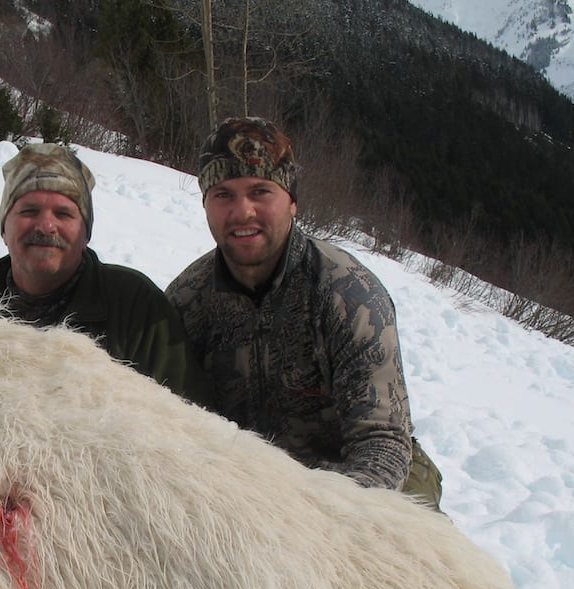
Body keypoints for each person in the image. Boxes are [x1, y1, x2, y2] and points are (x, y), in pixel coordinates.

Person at [166, 117, 443, 509]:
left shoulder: (348, 294)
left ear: (292, 201)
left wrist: (310, 519)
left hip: (353, 486)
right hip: (247, 488)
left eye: (260, 191)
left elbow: (380, 444)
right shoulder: (185, 301)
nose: (242, 212)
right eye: (223, 194)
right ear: (206, 205)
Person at [0, 142, 213, 409]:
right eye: (29, 211)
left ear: (86, 233)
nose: (46, 226)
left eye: (63, 214)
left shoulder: (135, 306)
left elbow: (194, 425)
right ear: (4, 229)